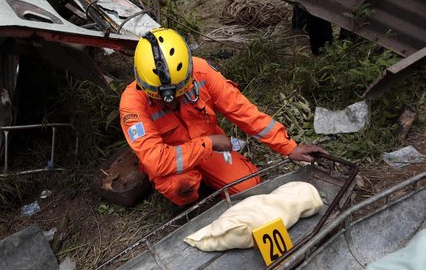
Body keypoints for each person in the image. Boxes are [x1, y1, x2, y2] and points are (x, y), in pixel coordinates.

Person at [119, 27, 326, 207]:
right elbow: (157, 161)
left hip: (210, 150)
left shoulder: (201, 72)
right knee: (180, 186)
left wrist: (289, 146)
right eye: (162, 99)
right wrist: (208, 143)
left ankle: (208, 179)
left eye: (178, 94)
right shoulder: (132, 104)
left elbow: (242, 111)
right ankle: (189, 201)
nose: (171, 103)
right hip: (175, 161)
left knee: (249, 186)